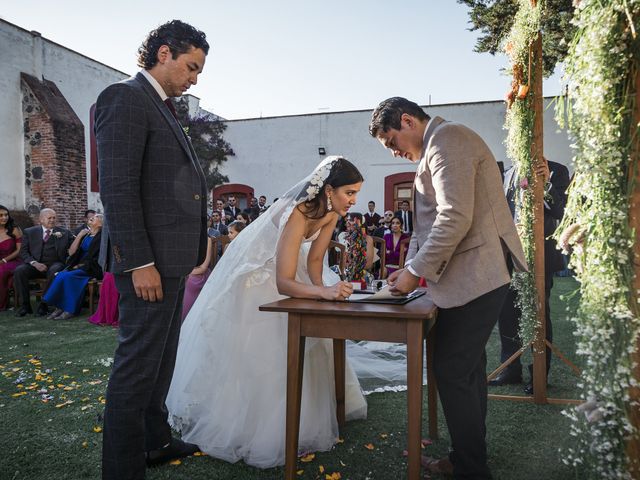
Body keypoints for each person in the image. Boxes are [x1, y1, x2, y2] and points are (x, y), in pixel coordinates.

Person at [166, 156, 367, 468]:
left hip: (291, 273)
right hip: (259, 277)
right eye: (349, 193)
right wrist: (321, 291)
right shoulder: (298, 212)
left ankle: (315, 411)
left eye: (356, 193)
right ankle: (252, 424)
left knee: (315, 335)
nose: (354, 200)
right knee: (267, 348)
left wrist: (325, 294)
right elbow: (283, 281)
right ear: (329, 190)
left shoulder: (330, 215)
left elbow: (314, 263)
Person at [369, 97, 526, 479]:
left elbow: (455, 215)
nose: (395, 152)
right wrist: (410, 266)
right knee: (466, 371)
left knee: (453, 370)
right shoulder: (439, 143)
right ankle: (467, 460)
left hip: (477, 273)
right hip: (473, 275)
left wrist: (414, 272)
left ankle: (470, 468)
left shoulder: (447, 139)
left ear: (407, 121)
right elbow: (436, 221)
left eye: (392, 142)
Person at [95, 20, 209, 479]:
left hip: (171, 261)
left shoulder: (160, 106)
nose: (195, 78)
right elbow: (118, 190)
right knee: (137, 368)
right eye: (191, 67)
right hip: (147, 264)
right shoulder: (124, 97)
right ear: (165, 53)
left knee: (161, 362)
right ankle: (122, 470)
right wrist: (139, 262)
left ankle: (155, 440)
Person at [489, 157, 570, 393]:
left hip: (540, 256)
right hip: (507, 256)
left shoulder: (557, 169)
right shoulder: (507, 173)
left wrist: (545, 184)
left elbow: (561, 210)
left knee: (539, 314)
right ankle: (510, 369)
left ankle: (539, 375)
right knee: (506, 313)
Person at [13, 208, 72, 317]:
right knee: (19, 270)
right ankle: (25, 305)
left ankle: (44, 304)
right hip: (35, 265)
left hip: (55, 263)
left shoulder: (64, 232)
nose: (52, 220)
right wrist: (34, 263)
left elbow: (75, 247)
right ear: (41, 219)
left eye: (54, 218)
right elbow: (23, 252)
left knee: (55, 269)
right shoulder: (29, 232)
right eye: (49, 218)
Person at [44, 214, 104, 320]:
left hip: (93, 268)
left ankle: (70, 310)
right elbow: (72, 253)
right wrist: (80, 235)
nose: (92, 217)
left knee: (66, 277)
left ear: (101, 224)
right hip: (79, 266)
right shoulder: (86, 235)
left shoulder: (102, 237)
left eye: (96, 217)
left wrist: (81, 266)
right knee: (61, 275)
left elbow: (99, 257)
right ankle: (60, 307)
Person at [0, 205, 23, 310]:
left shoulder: (14, 229)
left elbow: (19, 250)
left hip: (15, 261)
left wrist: (4, 260)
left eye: (6, 215)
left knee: (1, 269)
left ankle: (1, 305)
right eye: (1, 215)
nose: (4, 217)